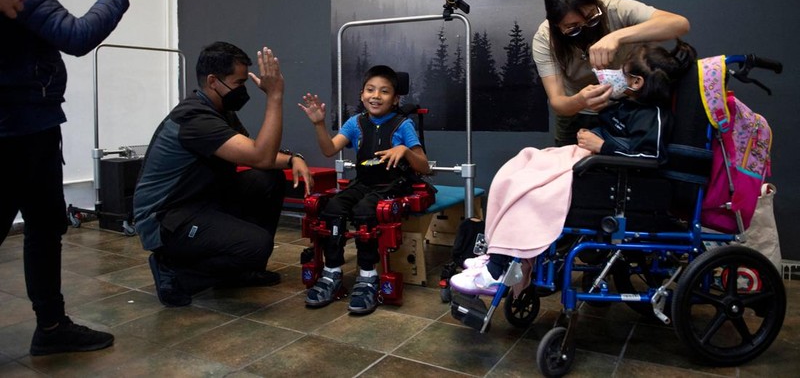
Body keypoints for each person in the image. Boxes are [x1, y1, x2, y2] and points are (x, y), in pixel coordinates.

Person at [451, 40, 697, 294]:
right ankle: (496, 252)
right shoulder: (628, 104)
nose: (616, 77)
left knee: (530, 190)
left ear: (636, 82)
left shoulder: (654, 115)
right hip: (588, 160)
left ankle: (497, 270)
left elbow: (650, 156)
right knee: (515, 170)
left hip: (604, 171)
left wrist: (602, 146)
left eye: (622, 74)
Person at [0, 0, 144, 356]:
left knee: (45, 227)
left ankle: (52, 325)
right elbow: (76, 36)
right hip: (13, 132)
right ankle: (52, 324)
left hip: (33, 124)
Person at [133, 42, 313, 307]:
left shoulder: (221, 112)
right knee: (257, 245)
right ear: (213, 81)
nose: (243, 89)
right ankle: (174, 272)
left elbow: (253, 152)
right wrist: (275, 96)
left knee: (268, 179)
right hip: (166, 219)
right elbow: (260, 155)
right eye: (239, 82)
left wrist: (293, 159)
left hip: (199, 201)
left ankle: (242, 271)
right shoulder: (194, 118)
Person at [298, 65, 431, 314]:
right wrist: (319, 124)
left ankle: (368, 277)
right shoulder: (355, 123)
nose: (376, 96)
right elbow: (329, 149)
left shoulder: (403, 125)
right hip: (364, 183)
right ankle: (332, 272)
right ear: (361, 95)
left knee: (364, 211)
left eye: (384, 91)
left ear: (395, 99)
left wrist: (403, 151)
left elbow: (424, 167)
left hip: (394, 184)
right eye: (370, 90)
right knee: (333, 208)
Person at [532, 0, 690, 146]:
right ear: (556, 25)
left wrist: (617, 37)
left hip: (627, 107)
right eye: (572, 27)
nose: (585, 28)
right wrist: (580, 101)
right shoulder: (544, 38)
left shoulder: (616, 9)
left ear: (596, 2)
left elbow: (679, 24)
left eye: (592, 18)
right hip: (575, 115)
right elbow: (558, 102)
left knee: (626, 163)